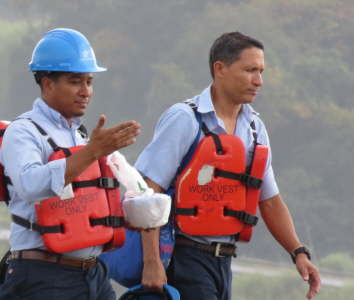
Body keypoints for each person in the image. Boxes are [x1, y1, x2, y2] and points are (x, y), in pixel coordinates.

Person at [135, 32, 321, 300]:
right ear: (219, 69)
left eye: (261, 71)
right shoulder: (185, 119)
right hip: (183, 257)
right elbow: (148, 190)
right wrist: (151, 262)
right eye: (250, 70)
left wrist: (298, 252)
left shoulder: (255, 128)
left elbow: (269, 200)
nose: (259, 81)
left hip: (224, 262)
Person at [0, 28, 140, 300]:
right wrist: (92, 152)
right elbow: (30, 185)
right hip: (43, 276)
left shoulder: (82, 135)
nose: (86, 91)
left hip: (94, 274)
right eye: (76, 82)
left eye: (89, 81)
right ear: (48, 84)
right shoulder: (23, 131)